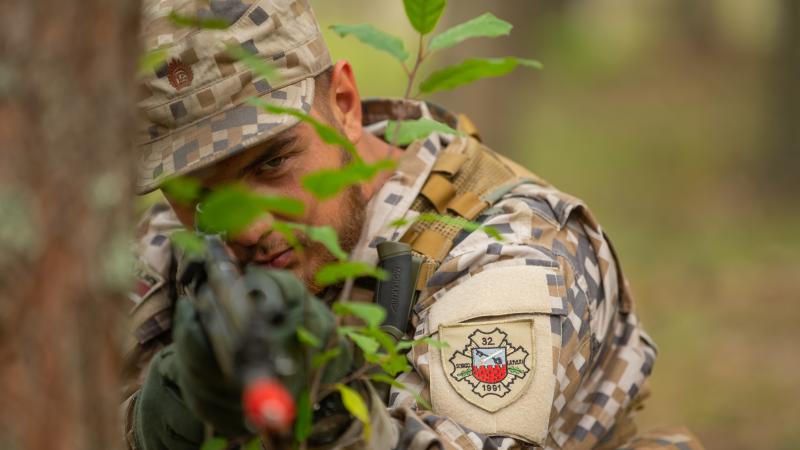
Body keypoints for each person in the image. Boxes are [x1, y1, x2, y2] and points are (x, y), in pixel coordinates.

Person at [125, 0, 704, 448]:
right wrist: (144, 424)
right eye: (197, 191)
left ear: (345, 106)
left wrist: (326, 408)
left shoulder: (511, 249)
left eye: (272, 162)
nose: (245, 226)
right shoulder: (171, 239)